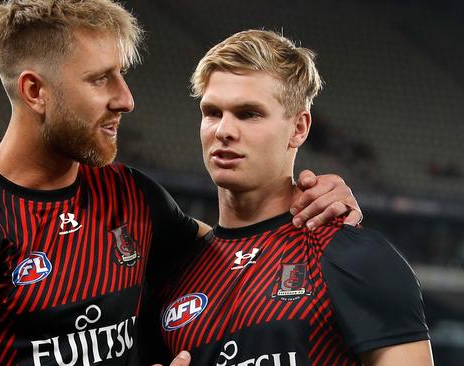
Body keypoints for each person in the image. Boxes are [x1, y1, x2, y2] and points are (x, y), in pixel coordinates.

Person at [0, 2, 362, 365]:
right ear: (35, 91)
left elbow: (240, 255)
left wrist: (316, 206)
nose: (126, 98)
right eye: (101, 79)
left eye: (121, 75)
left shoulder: (130, 194)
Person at [151, 30, 433, 366]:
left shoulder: (354, 258)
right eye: (212, 112)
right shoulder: (176, 271)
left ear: (299, 128)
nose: (223, 130)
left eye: (248, 114)